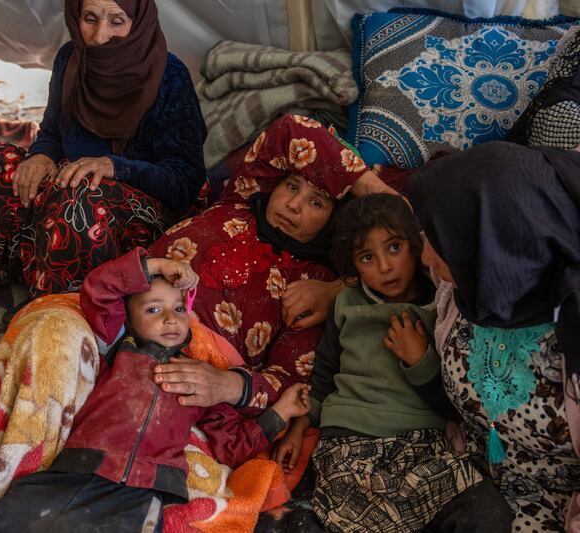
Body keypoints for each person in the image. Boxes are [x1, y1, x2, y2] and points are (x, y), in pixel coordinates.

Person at [0, 247, 310, 532]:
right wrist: (155, 263)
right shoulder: (116, 347)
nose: (170, 319)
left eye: (177, 309)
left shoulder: (200, 378)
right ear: (127, 317)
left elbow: (232, 445)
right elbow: (99, 289)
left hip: (146, 489)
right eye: (153, 309)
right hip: (79, 467)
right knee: (1, 520)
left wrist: (280, 415)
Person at [273, 194, 512, 532]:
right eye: (367, 257)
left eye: (395, 248)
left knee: (485, 509)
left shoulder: (443, 307)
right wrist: (297, 430)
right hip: (349, 444)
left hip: (425, 447)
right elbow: (324, 376)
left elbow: (459, 399)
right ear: (352, 266)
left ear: (417, 245)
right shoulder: (347, 304)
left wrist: (421, 360)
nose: (385, 267)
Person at [0, 0, 207, 295]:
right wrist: (42, 154)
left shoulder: (169, 76)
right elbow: (52, 128)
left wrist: (115, 166)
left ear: (138, 21)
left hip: (140, 200)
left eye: (117, 21)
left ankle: (60, 304)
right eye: (90, 18)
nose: (98, 35)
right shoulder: (70, 58)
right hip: (71, 179)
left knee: (77, 197)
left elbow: (184, 179)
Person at [148, 114, 399, 414]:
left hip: (178, 379)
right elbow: (291, 129)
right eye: (292, 186)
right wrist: (376, 192)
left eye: (316, 202)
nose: (294, 205)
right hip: (121, 315)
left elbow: (289, 381)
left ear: (335, 223)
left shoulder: (312, 284)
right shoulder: (240, 200)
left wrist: (225, 384)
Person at [408, 141, 580, 532]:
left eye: (441, 245)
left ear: (501, 250)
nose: (425, 259)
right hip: (466, 481)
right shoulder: (474, 283)